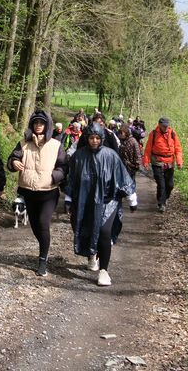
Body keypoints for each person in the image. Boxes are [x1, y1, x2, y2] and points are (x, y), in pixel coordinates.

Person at [67, 123, 137, 287]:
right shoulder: (79, 157)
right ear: (87, 138)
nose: (94, 141)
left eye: (97, 138)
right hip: (86, 201)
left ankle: (104, 271)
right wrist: (69, 199)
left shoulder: (111, 156)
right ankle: (92, 255)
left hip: (108, 201)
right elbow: (71, 180)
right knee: (89, 229)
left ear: (102, 139)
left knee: (104, 232)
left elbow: (123, 178)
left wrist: (132, 199)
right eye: (91, 137)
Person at [7, 110, 67, 277]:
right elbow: (12, 159)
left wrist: (53, 177)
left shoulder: (56, 145)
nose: (38, 126)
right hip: (28, 191)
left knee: (43, 223)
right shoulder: (23, 143)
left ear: (47, 126)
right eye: (35, 123)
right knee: (35, 226)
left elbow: (64, 167)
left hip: (48, 192)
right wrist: (14, 162)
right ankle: (45, 246)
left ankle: (42, 260)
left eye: (41, 123)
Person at [142, 117, 183, 213]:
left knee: (170, 185)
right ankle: (161, 203)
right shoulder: (154, 133)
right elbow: (148, 149)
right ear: (159, 125)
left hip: (169, 161)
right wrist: (146, 161)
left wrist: (179, 161)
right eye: (164, 126)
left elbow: (178, 148)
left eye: (167, 126)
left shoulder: (172, 134)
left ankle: (164, 198)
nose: (166, 128)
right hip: (157, 161)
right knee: (161, 184)